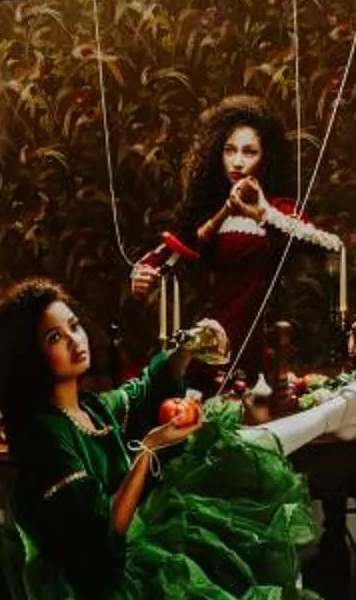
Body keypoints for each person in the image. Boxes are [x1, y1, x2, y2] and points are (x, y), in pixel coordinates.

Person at [0, 281, 356, 600]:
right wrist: (149, 448)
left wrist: (184, 348)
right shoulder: (45, 434)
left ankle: (341, 411)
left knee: (236, 468)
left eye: (74, 326)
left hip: (132, 541)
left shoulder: (85, 407)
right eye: (55, 337)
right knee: (255, 544)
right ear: (30, 357)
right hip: (101, 583)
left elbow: (139, 392)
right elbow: (102, 532)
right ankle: (343, 409)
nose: (75, 340)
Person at [130, 95, 341, 390]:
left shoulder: (279, 208)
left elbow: (328, 244)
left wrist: (264, 215)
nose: (238, 161)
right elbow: (166, 251)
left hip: (263, 338)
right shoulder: (207, 209)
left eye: (249, 151)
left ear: (266, 157)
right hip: (211, 336)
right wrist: (141, 272)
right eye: (230, 150)